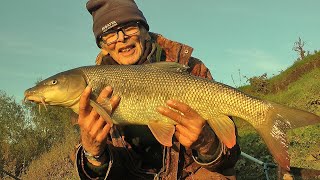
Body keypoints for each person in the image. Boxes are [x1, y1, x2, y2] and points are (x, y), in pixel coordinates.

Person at [74, 0, 241, 179]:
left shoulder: (190, 69)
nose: (121, 38)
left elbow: (231, 157)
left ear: (145, 30)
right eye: (110, 34)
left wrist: (207, 143)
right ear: (103, 46)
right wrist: (93, 155)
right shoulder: (88, 92)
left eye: (130, 27)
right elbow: (100, 173)